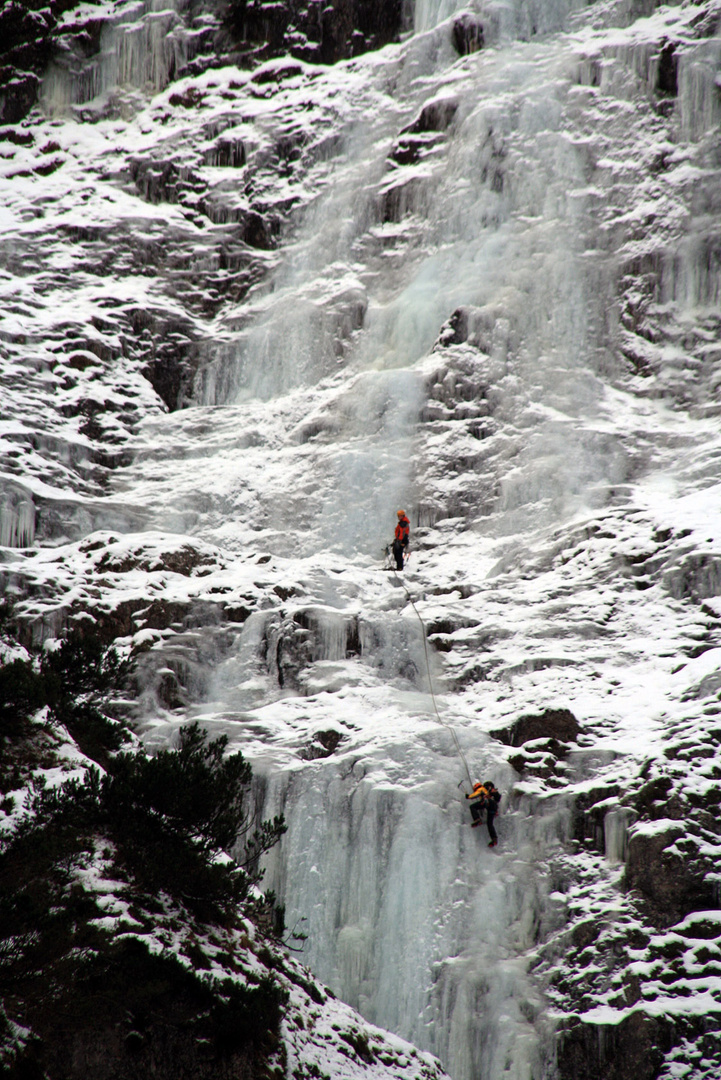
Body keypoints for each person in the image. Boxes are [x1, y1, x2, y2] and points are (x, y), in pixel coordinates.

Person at [483, 780, 501, 848]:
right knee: (489, 824)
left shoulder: (494, 793)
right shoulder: (488, 793)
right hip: (489, 809)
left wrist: (493, 793)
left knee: (489, 823)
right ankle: (494, 839)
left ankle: (494, 838)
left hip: (492, 809)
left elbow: (498, 798)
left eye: (487, 787)